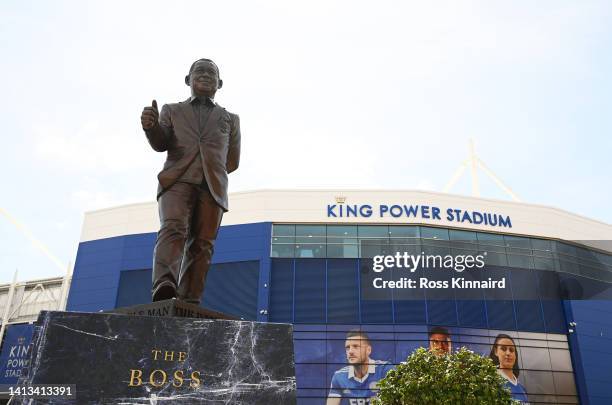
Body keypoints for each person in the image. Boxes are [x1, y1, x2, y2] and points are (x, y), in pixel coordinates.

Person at [141, 58, 241, 304]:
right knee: (173, 228)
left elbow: (233, 160)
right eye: (200, 71)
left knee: (203, 244)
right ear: (188, 80)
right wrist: (151, 127)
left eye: (211, 73)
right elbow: (161, 143)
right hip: (177, 180)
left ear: (220, 82)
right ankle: (165, 284)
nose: (205, 75)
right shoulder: (172, 110)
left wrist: (210, 168)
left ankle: (190, 299)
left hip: (212, 186)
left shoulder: (231, 119)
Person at [327, 330, 394, 405]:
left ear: (368, 350)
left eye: (355, 346)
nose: (350, 351)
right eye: (347, 348)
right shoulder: (339, 377)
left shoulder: (385, 370)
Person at [489, 334, 529, 404]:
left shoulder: (522, 390)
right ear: (496, 352)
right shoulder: (491, 382)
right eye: (503, 349)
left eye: (511, 350)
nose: (508, 353)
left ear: (515, 355)